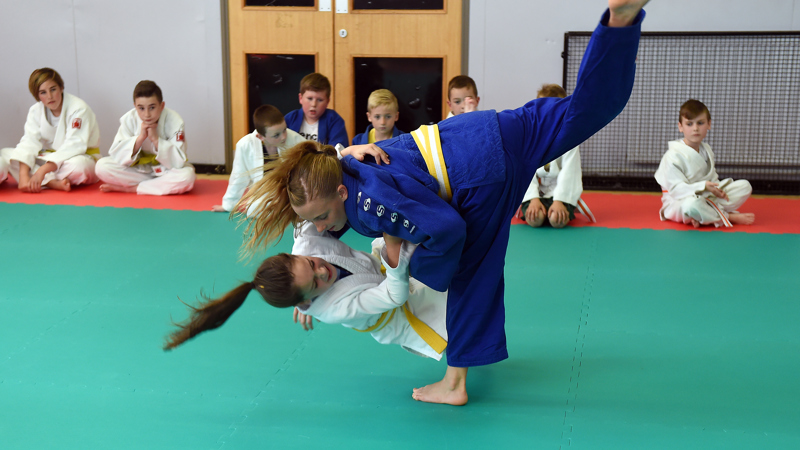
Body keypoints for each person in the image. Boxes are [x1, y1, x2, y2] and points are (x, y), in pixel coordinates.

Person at [240, 0, 649, 405]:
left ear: (341, 194)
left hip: (482, 172)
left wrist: (407, 263)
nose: (325, 229)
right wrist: (342, 153)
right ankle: (619, 22)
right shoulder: (340, 167)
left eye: (325, 217)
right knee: (585, 110)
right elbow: (308, 227)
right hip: (483, 129)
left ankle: (455, 384)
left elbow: (448, 228)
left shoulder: (368, 205)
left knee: (470, 274)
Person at [164, 221, 448, 361]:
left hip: (382, 269)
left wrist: (343, 153)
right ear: (307, 302)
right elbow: (393, 296)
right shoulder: (334, 309)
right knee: (456, 318)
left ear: (297, 254)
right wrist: (394, 248)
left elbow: (308, 194)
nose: (323, 271)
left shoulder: (305, 242)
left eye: (311, 264)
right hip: (398, 316)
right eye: (315, 284)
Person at [655, 99, 754, 228]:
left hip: (706, 196)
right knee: (691, 206)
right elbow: (675, 191)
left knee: (744, 186)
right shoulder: (673, 156)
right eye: (689, 124)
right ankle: (727, 217)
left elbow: (712, 179)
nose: (695, 128)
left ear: (709, 124)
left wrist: (717, 190)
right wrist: (704, 186)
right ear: (680, 127)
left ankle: (703, 216)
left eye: (700, 123)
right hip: (679, 201)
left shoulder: (706, 149)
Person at [0, 67, 100, 192]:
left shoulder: (79, 108)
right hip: (49, 157)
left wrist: (41, 171)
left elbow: (74, 146)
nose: (50, 96)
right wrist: (23, 175)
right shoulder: (35, 111)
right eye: (43, 92)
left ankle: (41, 179)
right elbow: (29, 142)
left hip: (78, 157)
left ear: (61, 87)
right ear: (37, 95)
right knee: (7, 154)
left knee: (80, 167)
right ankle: (51, 182)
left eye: (53, 89)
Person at [95, 80, 195, 195]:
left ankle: (133, 188)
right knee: (102, 167)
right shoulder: (129, 119)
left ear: (162, 106)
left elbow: (178, 162)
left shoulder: (175, 121)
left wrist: (156, 140)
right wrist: (140, 138)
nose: (147, 114)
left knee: (187, 176)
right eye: (141, 108)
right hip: (139, 171)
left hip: (165, 170)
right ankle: (158, 185)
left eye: (152, 107)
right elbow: (117, 155)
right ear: (135, 106)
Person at [213, 105, 307, 213]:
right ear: (260, 137)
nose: (284, 137)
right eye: (276, 135)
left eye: (284, 130)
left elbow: (312, 165)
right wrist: (228, 205)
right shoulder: (245, 146)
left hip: (291, 192)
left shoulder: (295, 140)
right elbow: (238, 177)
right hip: (264, 194)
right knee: (253, 209)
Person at [520, 84, 587, 229]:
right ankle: (535, 204)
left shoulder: (570, 138)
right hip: (536, 193)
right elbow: (525, 170)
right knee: (535, 219)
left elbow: (570, 171)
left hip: (559, 193)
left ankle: (558, 205)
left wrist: (560, 200)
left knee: (557, 221)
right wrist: (533, 198)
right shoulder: (530, 137)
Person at [284, 73, 349, 148]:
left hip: (323, 159)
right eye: (310, 98)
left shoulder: (334, 120)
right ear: (300, 98)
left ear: (327, 101)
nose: (314, 104)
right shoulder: (289, 119)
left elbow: (339, 150)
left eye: (320, 100)